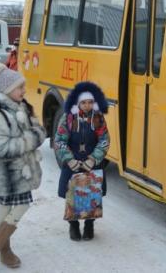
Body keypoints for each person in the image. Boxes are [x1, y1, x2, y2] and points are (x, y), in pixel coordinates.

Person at [0, 62, 46, 273]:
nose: (24, 91)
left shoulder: (21, 107)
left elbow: (39, 129)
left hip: (22, 170)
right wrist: (29, 139)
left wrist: (35, 135)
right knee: (21, 206)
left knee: (5, 210)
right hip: (7, 173)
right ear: (7, 89)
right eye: (20, 87)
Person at [54, 81, 110, 241]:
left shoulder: (98, 118)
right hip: (74, 162)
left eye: (90, 102)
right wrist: (69, 160)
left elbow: (104, 141)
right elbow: (59, 140)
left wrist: (93, 159)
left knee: (91, 194)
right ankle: (73, 225)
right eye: (84, 102)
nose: (87, 105)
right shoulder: (68, 118)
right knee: (72, 194)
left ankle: (89, 224)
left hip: (92, 163)